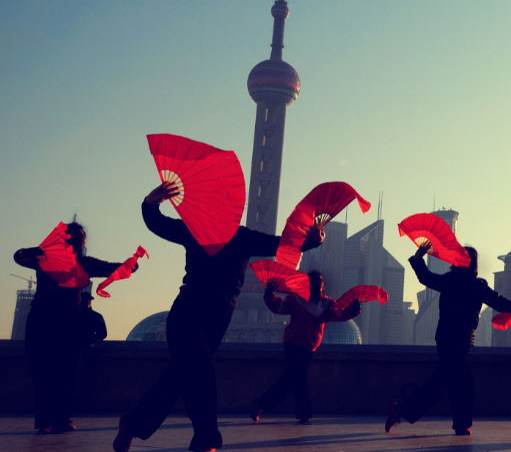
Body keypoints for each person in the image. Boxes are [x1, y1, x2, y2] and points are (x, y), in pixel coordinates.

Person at [113, 183, 324, 452]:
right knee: (202, 376)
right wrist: (150, 203)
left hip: (216, 324)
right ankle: (206, 440)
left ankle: (132, 424)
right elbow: (159, 225)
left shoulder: (243, 237)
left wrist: (312, 240)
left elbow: (280, 244)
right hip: (187, 316)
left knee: (177, 378)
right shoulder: (196, 230)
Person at [385, 242, 511, 436]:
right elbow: (426, 278)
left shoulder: (471, 284)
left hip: (456, 340)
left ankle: (403, 409)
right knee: (464, 379)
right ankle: (460, 424)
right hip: (451, 340)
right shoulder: (462, 283)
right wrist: (418, 258)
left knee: (443, 382)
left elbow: (499, 302)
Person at [15, 222, 126, 434]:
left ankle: (59, 420)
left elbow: (110, 268)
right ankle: (48, 421)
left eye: (82, 236)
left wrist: (129, 265)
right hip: (44, 322)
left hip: (65, 323)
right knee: (45, 373)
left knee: (64, 373)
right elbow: (19, 257)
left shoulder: (82, 263)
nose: (81, 239)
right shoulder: (46, 259)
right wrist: (32, 251)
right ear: (65, 238)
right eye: (77, 235)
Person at [250, 271, 361, 424]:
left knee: (289, 381)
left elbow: (341, 314)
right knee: (300, 378)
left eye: (319, 283)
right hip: (293, 343)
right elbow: (278, 306)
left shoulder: (327, 304)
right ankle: (304, 413)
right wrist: (269, 295)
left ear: (322, 285)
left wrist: (354, 309)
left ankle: (260, 405)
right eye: (313, 283)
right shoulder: (296, 299)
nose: (316, 286)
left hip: (309, 348)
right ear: (307, 285)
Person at [75, 292, 108, 402]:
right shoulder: (96, 316)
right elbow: (103, 334)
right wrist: (93, 340)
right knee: (85, 376)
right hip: (88, 349)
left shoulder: (73, 316)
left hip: (74, 350)